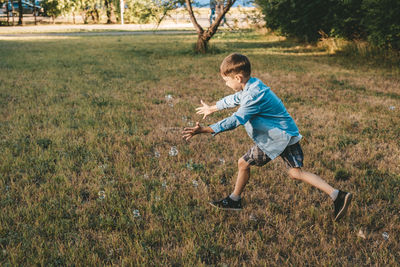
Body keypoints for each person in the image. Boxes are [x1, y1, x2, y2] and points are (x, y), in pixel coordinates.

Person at [182, 53, 352, 221]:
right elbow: (235, 98)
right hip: (288, 134)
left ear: (238, 78)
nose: (226, 84)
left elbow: (236, 120)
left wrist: (205, 130)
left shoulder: (253, 95)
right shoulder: (253, 85)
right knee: (295, 172)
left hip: (275, 138)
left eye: (227, 81)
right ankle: (337, 195)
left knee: (243, 163)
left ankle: (234, 200)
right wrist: (213, 108)